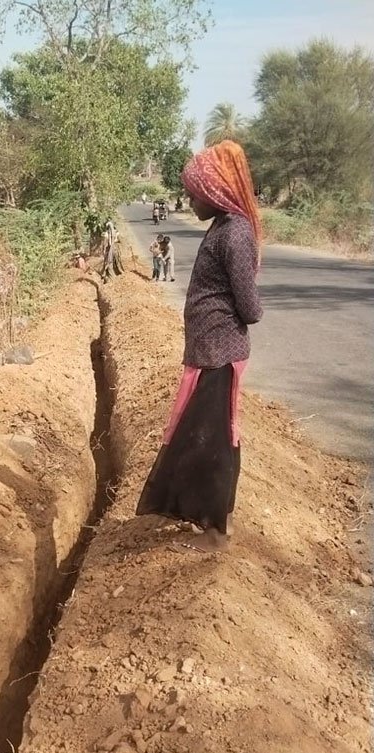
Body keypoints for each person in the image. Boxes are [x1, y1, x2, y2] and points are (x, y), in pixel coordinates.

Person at [136, 140, 263, 551]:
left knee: (213, 442)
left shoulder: (236, 232)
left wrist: (223, 318)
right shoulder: (223, 227)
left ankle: (215, 534)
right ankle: (216, 520)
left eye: (194, 194)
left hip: (220, 352)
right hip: (210, 350)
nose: (190, 201)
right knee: (215, 435)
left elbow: (250, 305)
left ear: (215, 191)